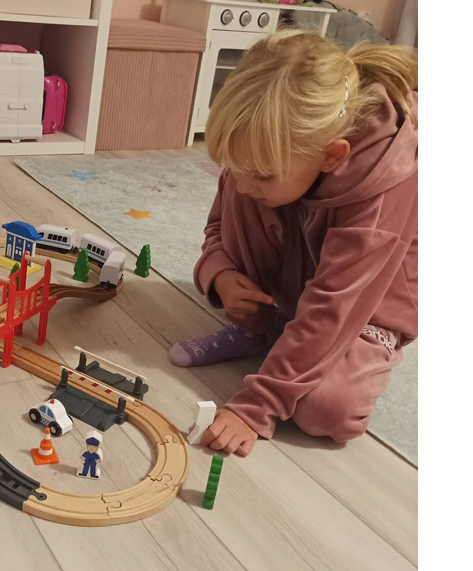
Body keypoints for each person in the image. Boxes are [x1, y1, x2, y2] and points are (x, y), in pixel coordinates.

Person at [169, 30, 417, 458]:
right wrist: (220, 273)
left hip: (364, 306)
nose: (243, 184)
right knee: (250, 194)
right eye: (234, 167)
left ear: (333, 156)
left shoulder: (386, 182)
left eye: (261, 175)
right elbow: (218, 228)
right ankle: (263, 331)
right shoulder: (261, 159)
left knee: (328, 411)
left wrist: (256, 407)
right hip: (305, 283)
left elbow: (336, 306)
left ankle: (299, 340)